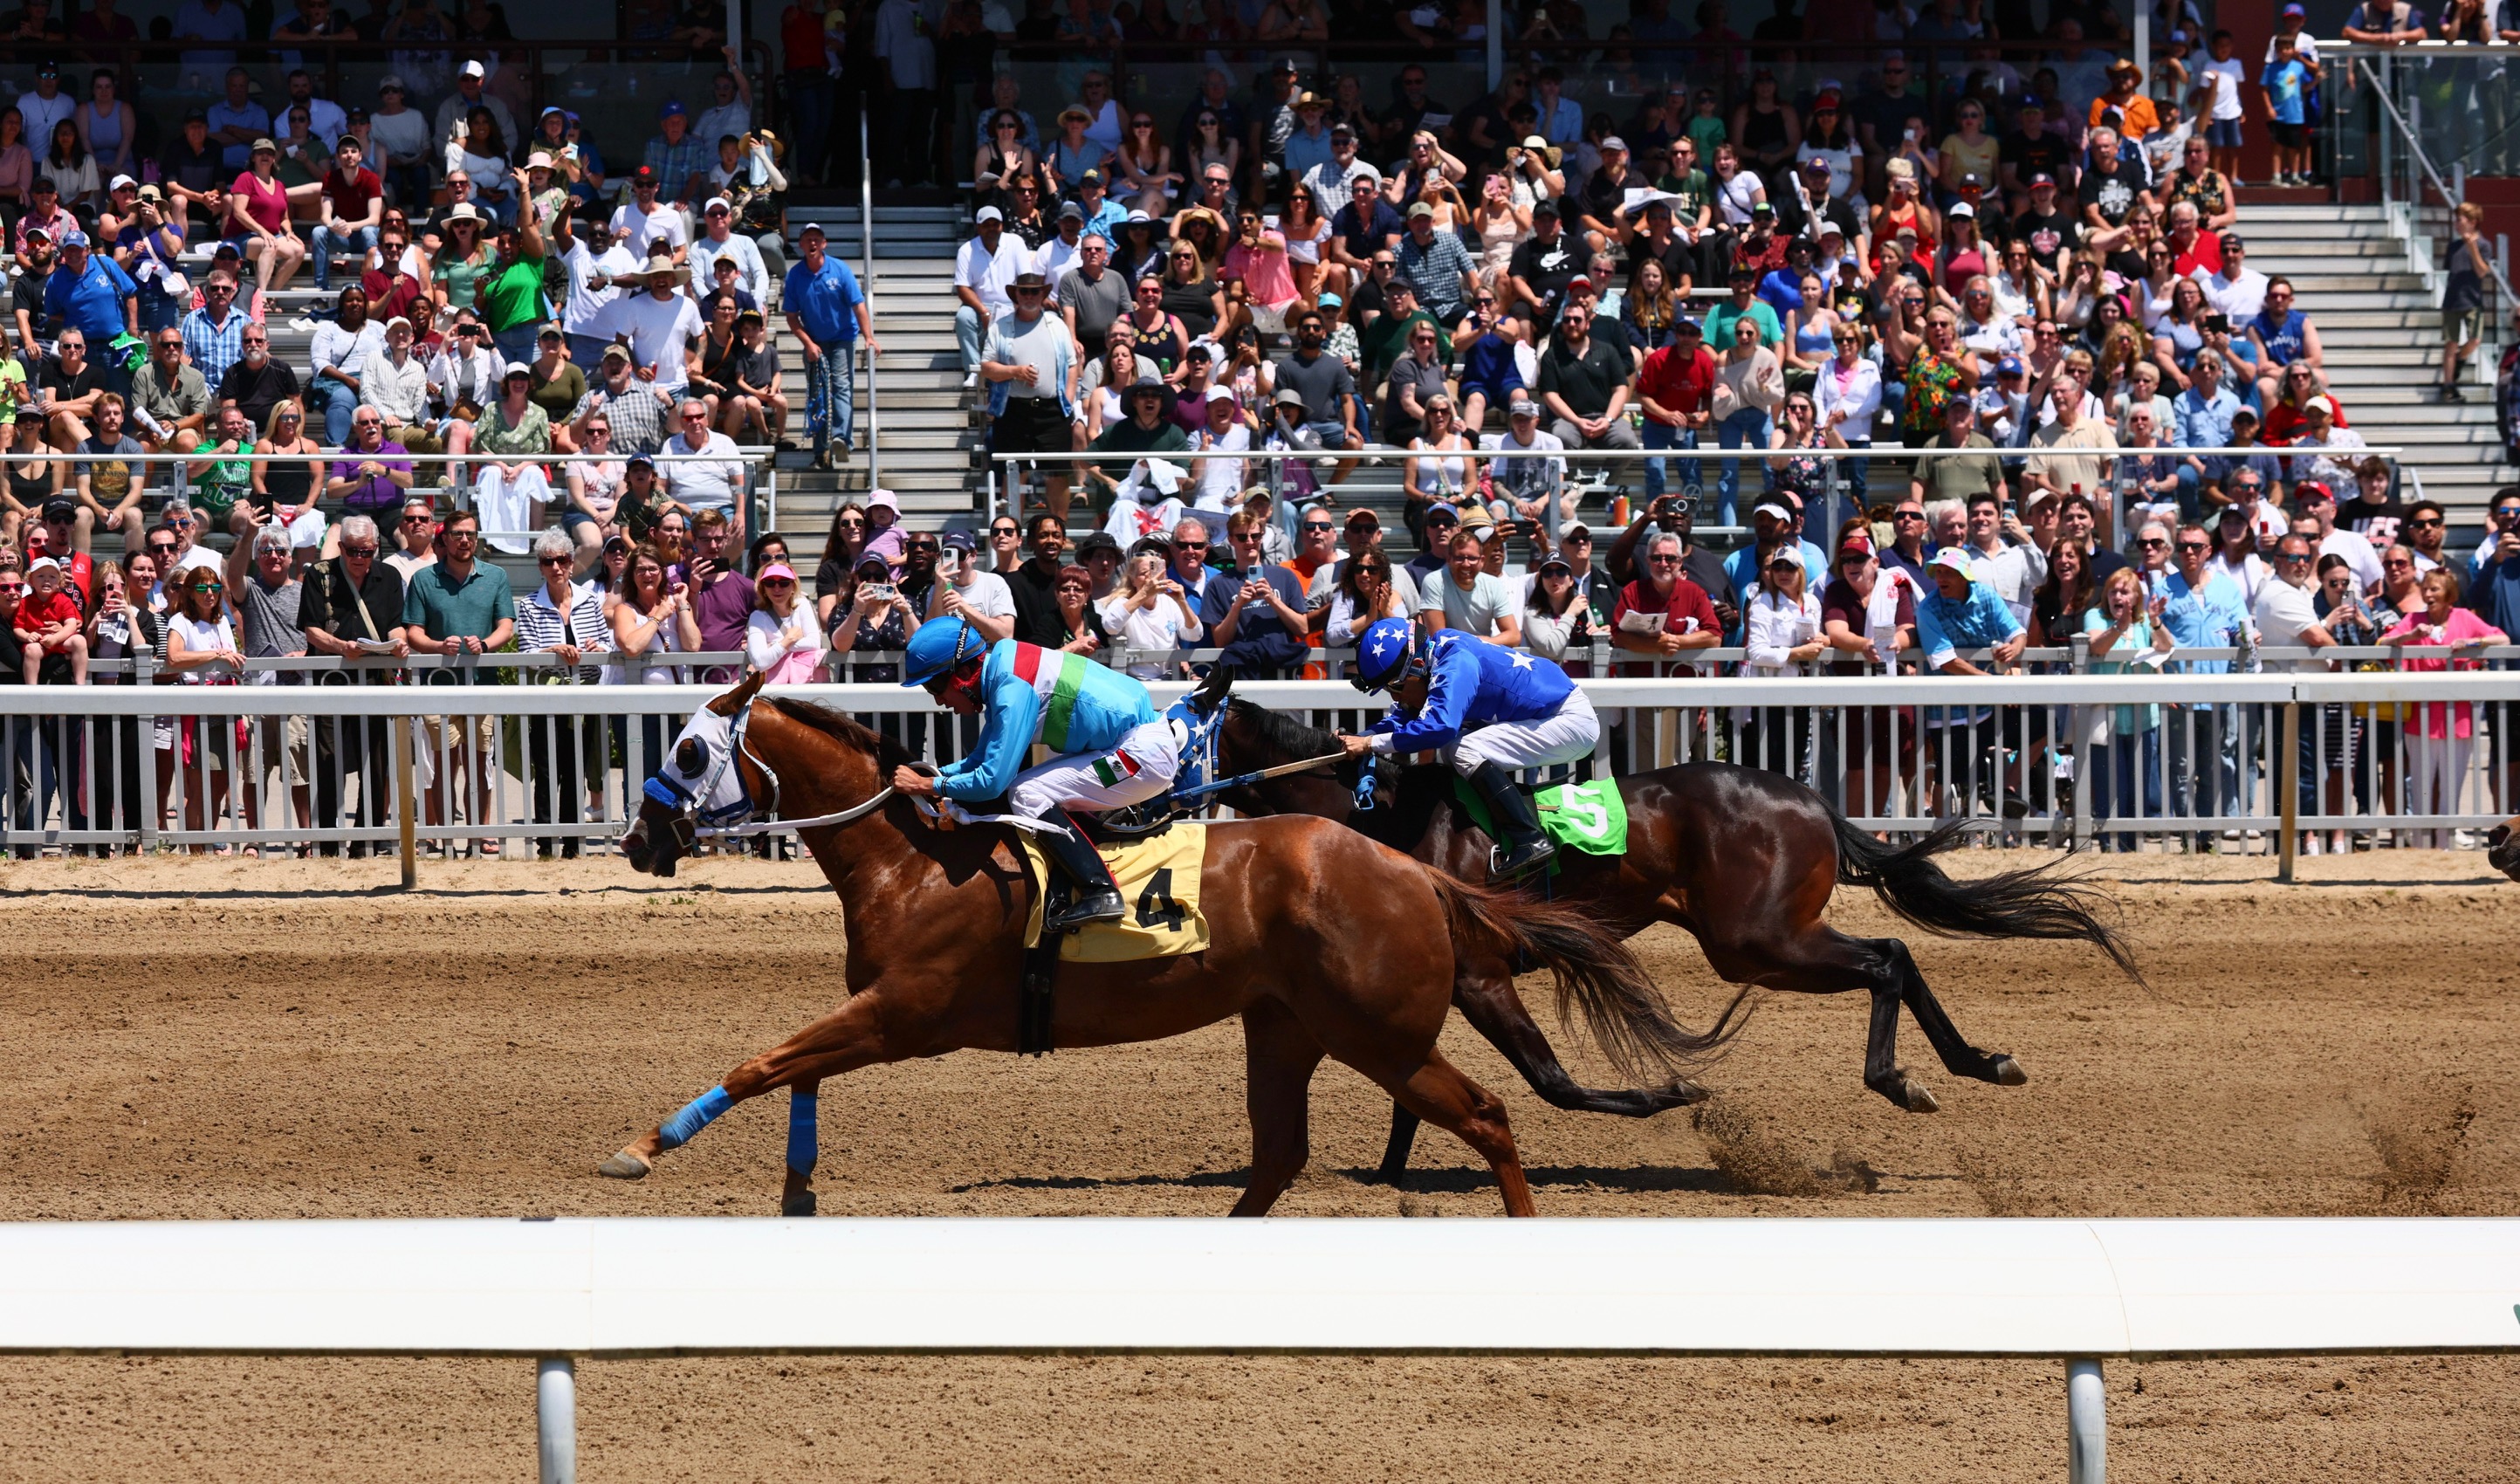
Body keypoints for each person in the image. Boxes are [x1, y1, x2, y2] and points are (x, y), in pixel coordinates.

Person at [893, 615, 1181, 930]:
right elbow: (980, 759)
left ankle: (1100, 891)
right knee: (1027, 787)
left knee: (1024, 792)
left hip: (1138, 755)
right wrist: (926, 774)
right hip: (1135, 745)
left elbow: (991, 782)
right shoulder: (1005, 668)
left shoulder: (1012, 690)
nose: (938, 700)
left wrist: (929, 785)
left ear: (964, 674)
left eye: (935, 686)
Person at [1336, 616, 1596, 877]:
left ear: (1417, 666)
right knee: (1454, 748)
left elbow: (1439, 727)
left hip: (1569, 720)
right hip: (1547, 712)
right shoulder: (1433, 656)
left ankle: (1529, 838)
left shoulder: (1456, 664)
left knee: (1461, 748)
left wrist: (1369, 744)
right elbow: (1404, 717)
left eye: (1395, 687)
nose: (1395, 697)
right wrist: (1359, 737)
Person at [401, 507, 514, 854]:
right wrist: (438, 645)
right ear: (444, 539)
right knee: (443, 764)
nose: (465, 540)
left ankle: (479, 833)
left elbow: (506, 627)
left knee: (480, 765)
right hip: (439, 688)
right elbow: (413, 633)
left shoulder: (495, 576)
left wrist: (487, 644)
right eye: (458, 534)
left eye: (470, 534)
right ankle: (443, 833)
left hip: (482, 684)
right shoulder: (423, 579)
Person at [298, 511, 407, 854]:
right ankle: (328, 842)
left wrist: (400, 642)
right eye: (353, 551)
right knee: (328, 762)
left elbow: (395, 623)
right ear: (341, 547)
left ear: (376, 547)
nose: (360, 558)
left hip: (375, 680)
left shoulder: (388, 575)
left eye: (367, 551)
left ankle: (365, 841)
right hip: (331, 681)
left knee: (376, 762)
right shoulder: (318, 575)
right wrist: (341, 647)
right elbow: (311, 629)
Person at [2082, 564, 2173, 849]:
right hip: (2106, 719)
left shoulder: (2145, 621)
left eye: (2125, 591)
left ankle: (2133, 847)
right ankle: (2111, 845)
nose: (2118, 596)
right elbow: (2096, 647)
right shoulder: (2095, 616)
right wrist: (2119, 626)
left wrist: (2156, 622)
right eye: (2113, 591)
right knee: (2111, 787)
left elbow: (2166, 646)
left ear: (2136, 597)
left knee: (2140, 786)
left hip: (2143, 717)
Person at [783, 221, 877, 469]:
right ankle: (821, 453)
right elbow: (791, 317)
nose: (812, 243)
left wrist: (869, 337)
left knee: (842, 387)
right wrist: (808, 343)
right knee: (817, 394)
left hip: (842, 337)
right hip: (814, 339)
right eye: (808, 239)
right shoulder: (795, 275)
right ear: (801, 244)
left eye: (817, 239)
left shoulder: (840, 269)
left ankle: (842, 439)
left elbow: (858, 305)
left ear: (824, 243)